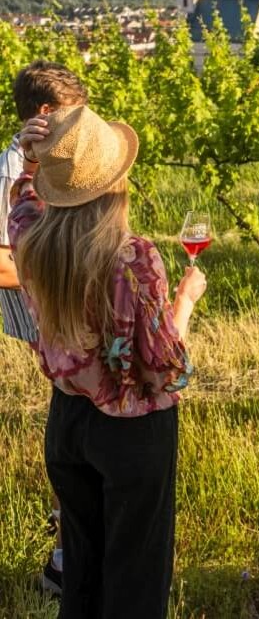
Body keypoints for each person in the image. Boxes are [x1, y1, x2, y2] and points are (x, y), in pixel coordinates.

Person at [11, 104, 206, 618]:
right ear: (115, 184)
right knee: (135, 578)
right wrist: (184, 302)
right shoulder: (132, 257)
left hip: (66, 423)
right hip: (132, 431)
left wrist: (33, 164)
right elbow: (166, 367)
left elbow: (21, 202)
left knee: (83, 569)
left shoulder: (33, 241)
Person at [0, 60, 89, 595]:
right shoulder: (6, 174)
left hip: (63, 306)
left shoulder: (54, 160)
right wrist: (57, 270)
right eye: (74, 114)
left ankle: (71, 543)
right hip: (38, 309)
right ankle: (64, 556)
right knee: (71, 428)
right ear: (45, 114)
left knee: (76, 422)